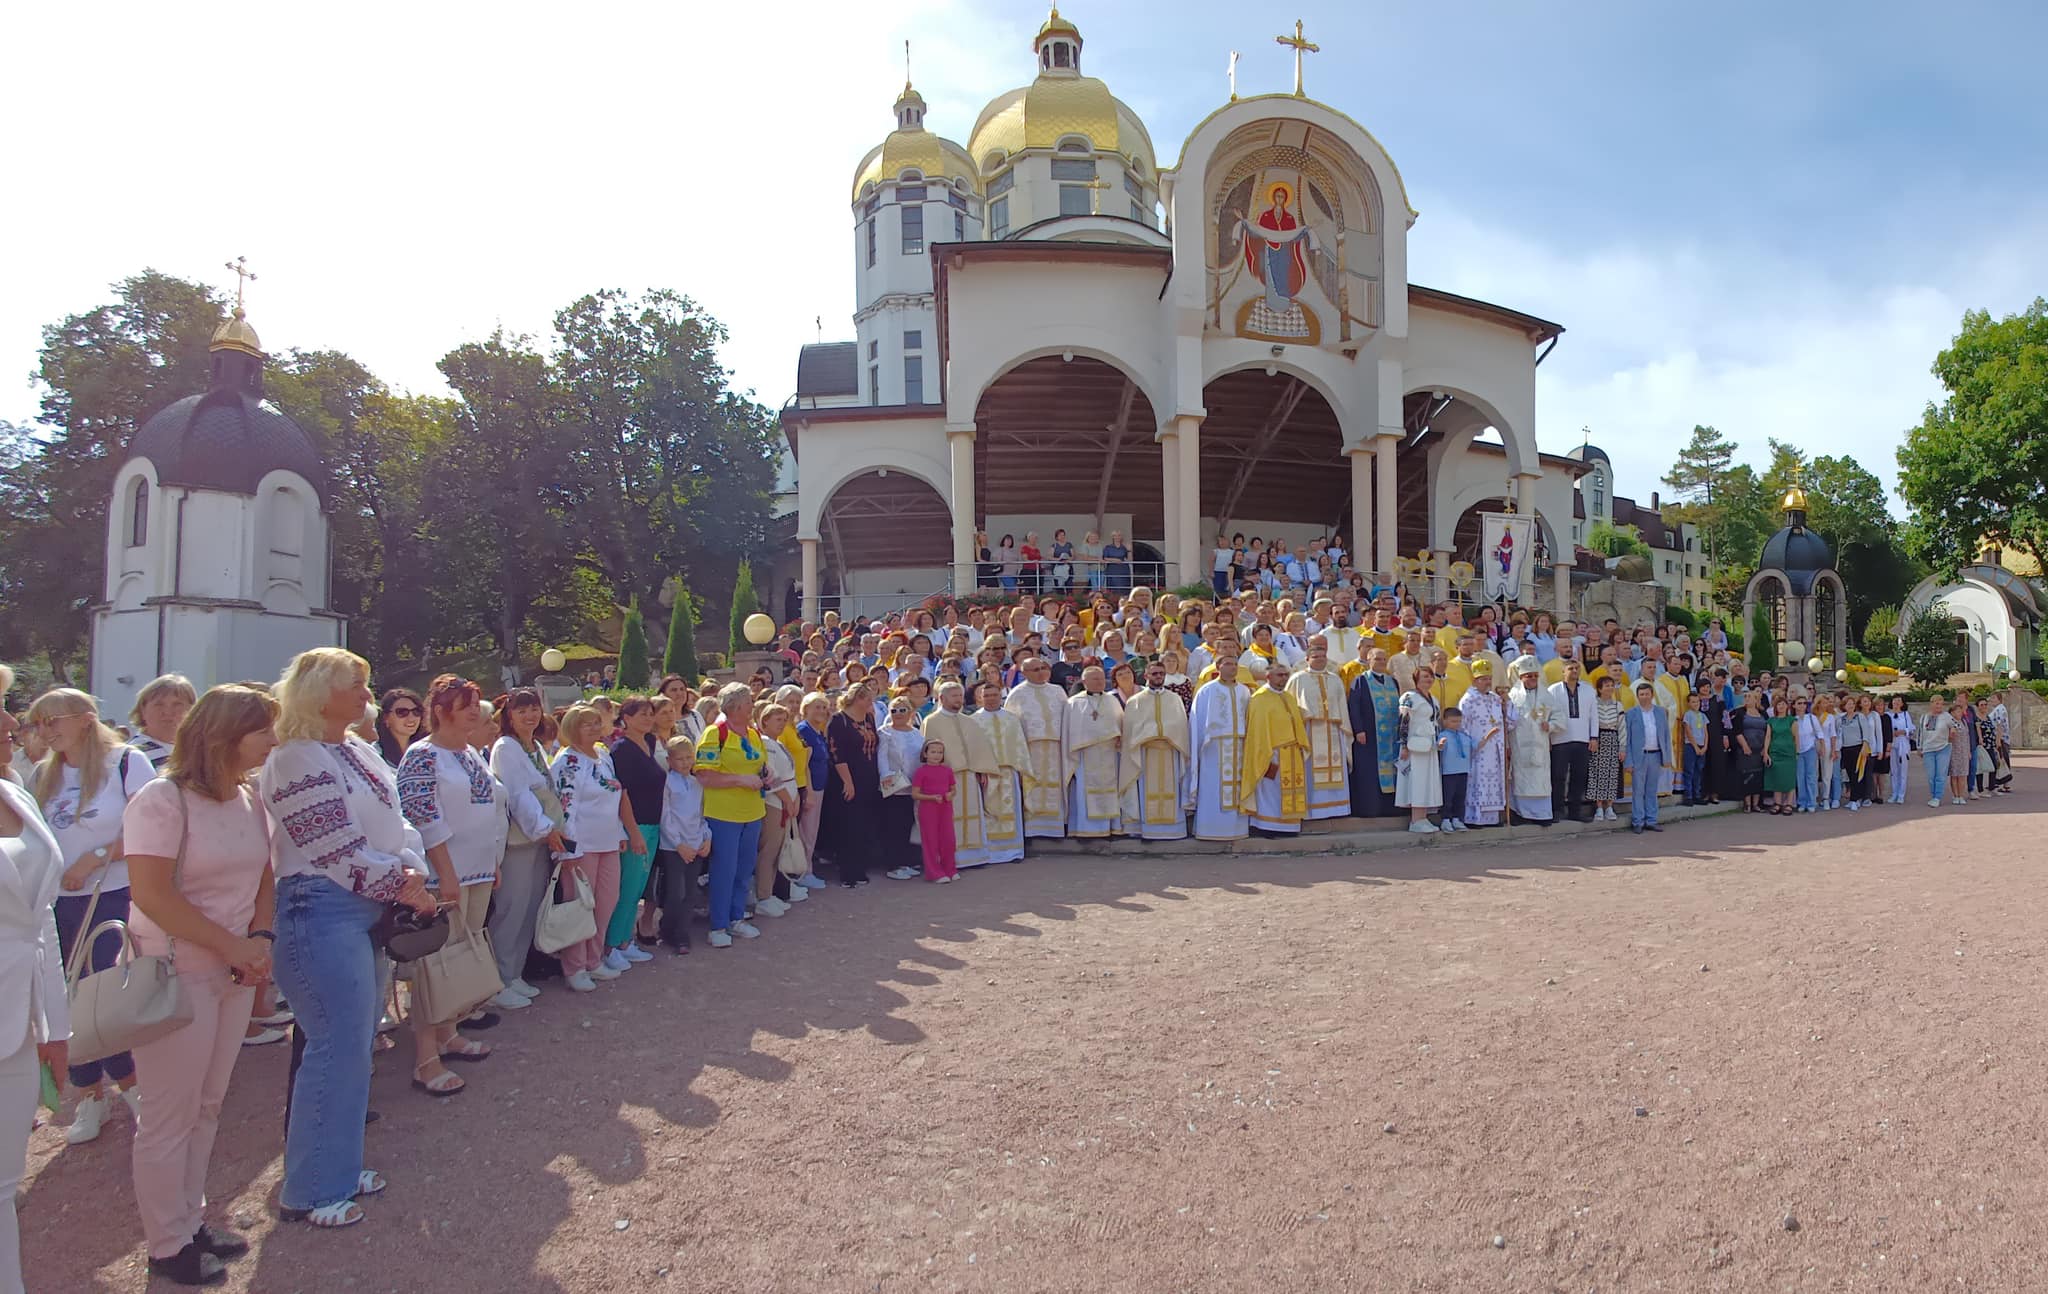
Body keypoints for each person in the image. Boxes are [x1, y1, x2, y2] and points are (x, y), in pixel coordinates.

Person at [262, 648, 435, 1228]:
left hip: (367, 901)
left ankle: (335, 1166)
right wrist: (406, 883)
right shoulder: (294, 758)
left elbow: (396, 821)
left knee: (354, 1044)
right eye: (356, 686)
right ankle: (311, 1188)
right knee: (335, 1045)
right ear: (320, 693)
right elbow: (330, 847)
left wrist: (412, 870)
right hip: (321, 907)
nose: (368, 696)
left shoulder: (354, 749)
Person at [122, 684, 279, 1283]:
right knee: (170, 1112)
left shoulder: (247, 797)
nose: (272, 739)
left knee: (209, 1103)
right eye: (263, 729)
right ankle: (166, 1243)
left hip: (234, 968)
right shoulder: (162, 800)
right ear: (225, 734)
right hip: (177, 971)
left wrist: (257, 942)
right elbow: (153, 895)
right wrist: (234, 945)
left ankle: (190, 1219)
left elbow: (265, 874)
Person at [25, 687, 156, 1143]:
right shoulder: (43, 774)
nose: (46, 730)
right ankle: (90, 1095)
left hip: (114, 896)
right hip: (55, 905)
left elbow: (150, 828)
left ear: (85, 718)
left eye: (53, 719)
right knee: (66, 1000)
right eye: (39, 723)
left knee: (105, 996)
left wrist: (96, 857)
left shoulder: (126, 763)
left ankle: (134, 1087)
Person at [396, 675, 507, 1094]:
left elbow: (489, 811)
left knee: (462, 959)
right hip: (448, 876)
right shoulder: (422, 756)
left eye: (476, 704)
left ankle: (449, 1032)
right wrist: (444, 874)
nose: (474, 712)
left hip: (477, 872)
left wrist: (492, 861)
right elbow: (424, 818)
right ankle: (425, 1059)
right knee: (435, 966)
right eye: (465, 705)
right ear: (441, 711)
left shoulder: (473, 754)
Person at [0, 663, 70, 1292]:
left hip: (17, 1025)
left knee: (2, 1189)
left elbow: (40, 913)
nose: (9, 727)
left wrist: (55, 1022)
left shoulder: (15, 788)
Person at [551, 704, 638, 986]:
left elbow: (613, 796)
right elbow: (565, 809)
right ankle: (574, 967)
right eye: (584, 723)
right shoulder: (568, 762)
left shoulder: (602, 755)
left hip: (608, 842)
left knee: (605, 903)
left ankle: (594, 958)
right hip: (581, 846)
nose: (591, 728)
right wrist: (568, 848)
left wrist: (620, 832)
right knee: (580, 905)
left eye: (595, 722)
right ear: (571, 728)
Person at [488, 689, 566, 995]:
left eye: (534, 709)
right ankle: (497, 980)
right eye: (522, 711)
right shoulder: (506, 748)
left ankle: (514, 973)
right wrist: (545, 828)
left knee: (530, 907)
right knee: (512, 908)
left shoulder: (533, 746)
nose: (530, 715)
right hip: (520, 840)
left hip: (539, 838)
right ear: (509, 715)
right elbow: (518, 794)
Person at [606, 698, 667, 965]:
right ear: (626, 718)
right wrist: (633, 832)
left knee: (638, 887)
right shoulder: (622, 750)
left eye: (650, 714)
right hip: (636, 825)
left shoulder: (650, 742)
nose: (647, 718)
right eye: (641, 714)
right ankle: (611, 946)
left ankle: (625, 940)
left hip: (653, 823)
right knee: (627, 888)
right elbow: (624, 795)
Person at [920, 681, 996, 866]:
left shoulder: (968, 720)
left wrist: (982, 770)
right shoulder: (932, 721)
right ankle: (951, 859)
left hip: (969, 777)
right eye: (954, 696)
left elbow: (979, 748)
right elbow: (927, 751)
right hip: (945, 778)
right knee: (949, 819)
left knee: (972, 816)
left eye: (960, 696)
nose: (959, 700)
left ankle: (974, 857)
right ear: (942, 698)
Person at [1118, 662, 1190, 842]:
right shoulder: (1135, 701)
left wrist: (1168, 734)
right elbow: (1131, 731)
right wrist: (1149, 734)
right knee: (1145, 792)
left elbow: (1181, 726)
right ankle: (1147, 830)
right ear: (1146, 676)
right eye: (1155, 673)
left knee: (1171, 790)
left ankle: (1173, 831)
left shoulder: (1175, 699)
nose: (1159, 676)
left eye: (1161, 673)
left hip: (1170, 752)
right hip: (1145, 754)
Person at [1285, 636, 1352, 821]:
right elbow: (1291, 705)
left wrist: (1345, 726)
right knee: (1311, 771)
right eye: (1315, 657)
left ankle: (1337, 809)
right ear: (1307, 659)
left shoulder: (1335, 679)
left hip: (1333, 728)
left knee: (1336, 768)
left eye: (1323, 656)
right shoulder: (1298, 679)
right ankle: (1314, 809)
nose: (1320, 659)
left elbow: (1342, 705)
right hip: (1310, 729)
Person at [655, 736, 711, 953]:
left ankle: (682, 934)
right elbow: (665, 816)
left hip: (696, 843)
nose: (686, 763)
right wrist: (678, 844)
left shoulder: (698, 782)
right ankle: (668, 928)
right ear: (669, 761)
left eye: (689, 757)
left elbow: (702, 814)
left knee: (690, 892)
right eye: (680, 759)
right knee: (675, 892)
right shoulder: (667, 783)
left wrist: (707, 837)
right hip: (674, 847)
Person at [824, 685, 883, 888]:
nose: (869, 702)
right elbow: (836, 753)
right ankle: (847, 872)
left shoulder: (869, 719)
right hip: (847, 778)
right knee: (849, 825)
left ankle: (860, 868)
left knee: (864, 824)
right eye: (865, 698)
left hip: (869, 778)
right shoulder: (839, 721)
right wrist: (848, 782)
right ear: (855, 699)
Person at [1244, 661, 1310, 837]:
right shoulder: (1259, 698)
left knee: (1290, 791)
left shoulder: (1288, 697)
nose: (1283, 678)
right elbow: (1258, 731)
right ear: (1268, 677)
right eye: (1279, 675)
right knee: (1270, 791)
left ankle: (1289, 826)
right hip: (1272, 752)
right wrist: (1267, 754)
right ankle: (1267, 826)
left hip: (1292, 751)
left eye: (1285, 675)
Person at [1008, 656, 1069, 838]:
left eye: (1043, 667)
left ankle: (1056, 828)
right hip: (1030, 749)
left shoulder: (1058, 691)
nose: (1041, 672)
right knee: (1034, 786)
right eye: (1035, 670)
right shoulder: (1017, 694)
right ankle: (1034, 830)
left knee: (1055, 786)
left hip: (1056, 747)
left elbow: (1067, 717)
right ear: (1024, 673)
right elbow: (1012, 724)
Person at [752, 704, 804, 915]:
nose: (782, 724)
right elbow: (770, 776)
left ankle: (770, 892)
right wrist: (787, 800)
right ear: (765, 721)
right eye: (777, 720)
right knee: (769, 850)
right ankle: (763, 895)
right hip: (775, 803)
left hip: (786, 799)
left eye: (784, 720)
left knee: (777, 850)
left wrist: (795, 796)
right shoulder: (766, 744)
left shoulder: (777, 743)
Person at [1063, 667, 1124, 838]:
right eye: (1095, 679)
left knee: (1110, 790)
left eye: (1102, 679)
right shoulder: (1074, 703)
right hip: (1085, 754)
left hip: (1109, 753)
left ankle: (1109, 827)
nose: (1100, 682)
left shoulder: (1112, 700)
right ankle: (1086, 829)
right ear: (1084, 682)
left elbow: (1120, 723)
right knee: (1084, 792)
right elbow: (1069, 730)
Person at [1346, 648, 1403, 819]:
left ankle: (1391, 808)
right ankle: (1370, 809)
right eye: (1377, 659)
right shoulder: (1361, 681)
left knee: (1392, 771)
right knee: (1369, 772)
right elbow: (1354, 706)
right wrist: (1359, 730)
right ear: (1369, 660)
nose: (1381, 662)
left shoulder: (1393, 681)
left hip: (1391, 736)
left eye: (1384, 659)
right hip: (1369, 735)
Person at [1454, 661, 1508, 828]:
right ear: (1475, 680)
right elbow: (1463, 727)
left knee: (1494, 783)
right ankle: (1474, 818)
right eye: (1483, 679)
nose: (1487, 682)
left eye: (1489, 678)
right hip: (1478, 750)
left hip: (1496, 749)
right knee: (1477, 782)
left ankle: (1492, 818)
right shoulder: (1468, 701)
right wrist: (1471, 746)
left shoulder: (1495, 699)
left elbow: (1506, 722)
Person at [1508, 658, 1562, 825]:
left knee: (1540, 779)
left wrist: (1551, 725)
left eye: (1534, 675)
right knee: (1521, 779)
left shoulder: (1547, 695)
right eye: (1528, 675)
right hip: (1519, 744)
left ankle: (1541, 815)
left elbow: (1560, 717)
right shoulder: (1513, 696)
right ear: (1521, 677)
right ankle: (1522, 814)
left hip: (1540, 744)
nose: (1532, 678)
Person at [1545, 661, 1597, 823]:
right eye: (1570, 669)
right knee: (1558, 776)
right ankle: (1557, 810)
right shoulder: (1553, 690)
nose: (1574, 671)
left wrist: (1594, 737)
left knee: (1579, 776)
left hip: (1582, 738)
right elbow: (1548, 715)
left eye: (1577, 668)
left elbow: (1593, 715)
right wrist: (1548, 738)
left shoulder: (1589, 690)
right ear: (1563, 672)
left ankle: (1575, 811)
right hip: (1560, 738)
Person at [1395, 665, 1443, 834]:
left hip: (1429, 746)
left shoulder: (1433, 698)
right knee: (1417, 781)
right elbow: (1403, 720)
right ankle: (1416, 820)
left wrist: (1437, 742)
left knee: (1427, 781)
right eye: (1424, 677)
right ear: (1416, 679)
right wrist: (1403, 745)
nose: (1428, 680)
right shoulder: (1409, 697)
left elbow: (1435, 722)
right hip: (1413, 746)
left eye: (1430, 677)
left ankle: (1423, 818)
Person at [910, 740, 960, 883]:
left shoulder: (947, 770)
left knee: (948, 839)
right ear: (925, 754)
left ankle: (950, 869)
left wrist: (950, 794)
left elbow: (953, 789)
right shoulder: (921, 772)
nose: (937, 755)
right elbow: (915, 794)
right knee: (931, 841)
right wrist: (931, 797)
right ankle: (934, 873)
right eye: (933, 752)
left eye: (940, 752)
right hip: (928, 809)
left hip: (945, 807)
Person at [126, 674, 197, 770]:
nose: (168, 712)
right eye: (159, 704)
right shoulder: (132, 756)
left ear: (192, 710)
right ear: (143, 711)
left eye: (177, 704)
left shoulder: (197, 753)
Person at [1587, 674, 1623, 822]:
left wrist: (1622, 747)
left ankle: (1609, 807)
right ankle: (1599, 807)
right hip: (1599, 739)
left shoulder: (1618, 705)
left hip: (1613, 738)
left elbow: (1622, 727)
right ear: (1600, 689)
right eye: (1606, 685)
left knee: (1611, 774)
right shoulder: (1594, 703)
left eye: (1611, 685)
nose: (1609, 688)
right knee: (1597, 773)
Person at [1436, 708, 1474, 832]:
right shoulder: (1442, 735)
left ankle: (1457, 819)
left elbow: (1475, 745)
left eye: (1459, 721)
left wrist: (1489, 735)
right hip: (1448, 772)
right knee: (1448, 796)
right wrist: (1440, 745)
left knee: (1460, 796)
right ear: (1445, 721)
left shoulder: (1464, 736)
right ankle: (1446, 819)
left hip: (1463, 770)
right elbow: (1439, 748)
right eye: (1453, 721)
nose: (1457, 724)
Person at [1733, 689, 1769, 812]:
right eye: (1746, 696)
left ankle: (1756, 804)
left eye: (1750, 696)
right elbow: (1737, 731)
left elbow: (1768, 731)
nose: (1747, 698)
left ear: (1756, 699)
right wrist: (1744, 746)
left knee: (1758, 776)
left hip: (1760, 749)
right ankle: (1747, 804)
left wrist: (1765, 748)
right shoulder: (1740, 712)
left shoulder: (1763, 714)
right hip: (1746, 749)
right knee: (1747, 775)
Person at [1763, 694, 1798, 814]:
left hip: (1788, 753)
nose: (1781, 706)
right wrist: (1766, 752)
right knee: (1776, 778)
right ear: (1775, 707)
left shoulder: (1791, 720)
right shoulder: (1771, 721)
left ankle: (1788, 804)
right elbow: (1768, 736)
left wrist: (1796, 752)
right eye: (1779, 704)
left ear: (1787, 706)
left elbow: (1795, 737)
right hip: (1775, 752)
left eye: (1783, 704)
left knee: (1789, 778)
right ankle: (1777, 803)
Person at [373, 687, 424, 767]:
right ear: (386, 718)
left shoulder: (426, 750)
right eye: (402, 712)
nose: (411, 718)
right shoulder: (375, 754)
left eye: (416, 711)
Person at [1887, 696, 1916, 805]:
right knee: (1894, 771)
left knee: (1903, 770)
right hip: (1892, 743)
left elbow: (1912, 728)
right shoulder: (1888, 715)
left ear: (1902, 704)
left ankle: (1901, 794)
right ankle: (1894, 793)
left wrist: (1904, 731)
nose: (1896, 703)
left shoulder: (1905, 715)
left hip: (1903, 743)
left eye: (1899, 701)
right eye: (1895, 700)